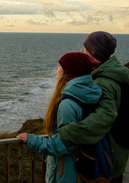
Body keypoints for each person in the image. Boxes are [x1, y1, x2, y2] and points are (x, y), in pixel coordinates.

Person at [16, 52, 101, 182]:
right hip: (85, 165)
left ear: (69, 71)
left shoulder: (67, 104)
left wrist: (32, 140)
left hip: (68, 172)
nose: (56, 68)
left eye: (60, 65)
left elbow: (65, 143)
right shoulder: (91, 95)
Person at [57, 31, 129, 182]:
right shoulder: (114, 75)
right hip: (115, 153)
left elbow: (106, 115)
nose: (82, 51)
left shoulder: (102, 82)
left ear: (91, 51)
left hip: (105, 159)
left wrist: (68, 133)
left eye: (84, 48)